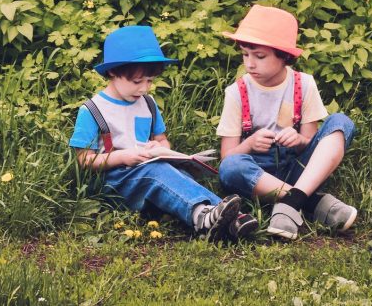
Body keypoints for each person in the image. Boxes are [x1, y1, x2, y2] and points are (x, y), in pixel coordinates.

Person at [69, 25, 257, 241]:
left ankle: (226, 221)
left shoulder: (147, 104)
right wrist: (122, 156)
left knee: (179, 176)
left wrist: (159, 148)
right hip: (113, 183)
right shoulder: (93, 110)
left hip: (145, 174)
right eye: (137, 81)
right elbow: (83, 160)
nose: (144, 89)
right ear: (113, 72)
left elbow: (162, 140)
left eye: (149, 81)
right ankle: (204, 220)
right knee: (156, 173)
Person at [216, 4, 358, 241]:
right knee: (231, 168)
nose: (250, 64)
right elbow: (227, 158)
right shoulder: (236, 92)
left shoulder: (304, 84)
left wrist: (299, 141)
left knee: (341, 122)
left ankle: (294, 198)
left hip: (298, 169)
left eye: (259, 56)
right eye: (245, 54)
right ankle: (306, 200)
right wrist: (250, 144)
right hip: (257, 175)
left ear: (284, 56)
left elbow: (311, 146)